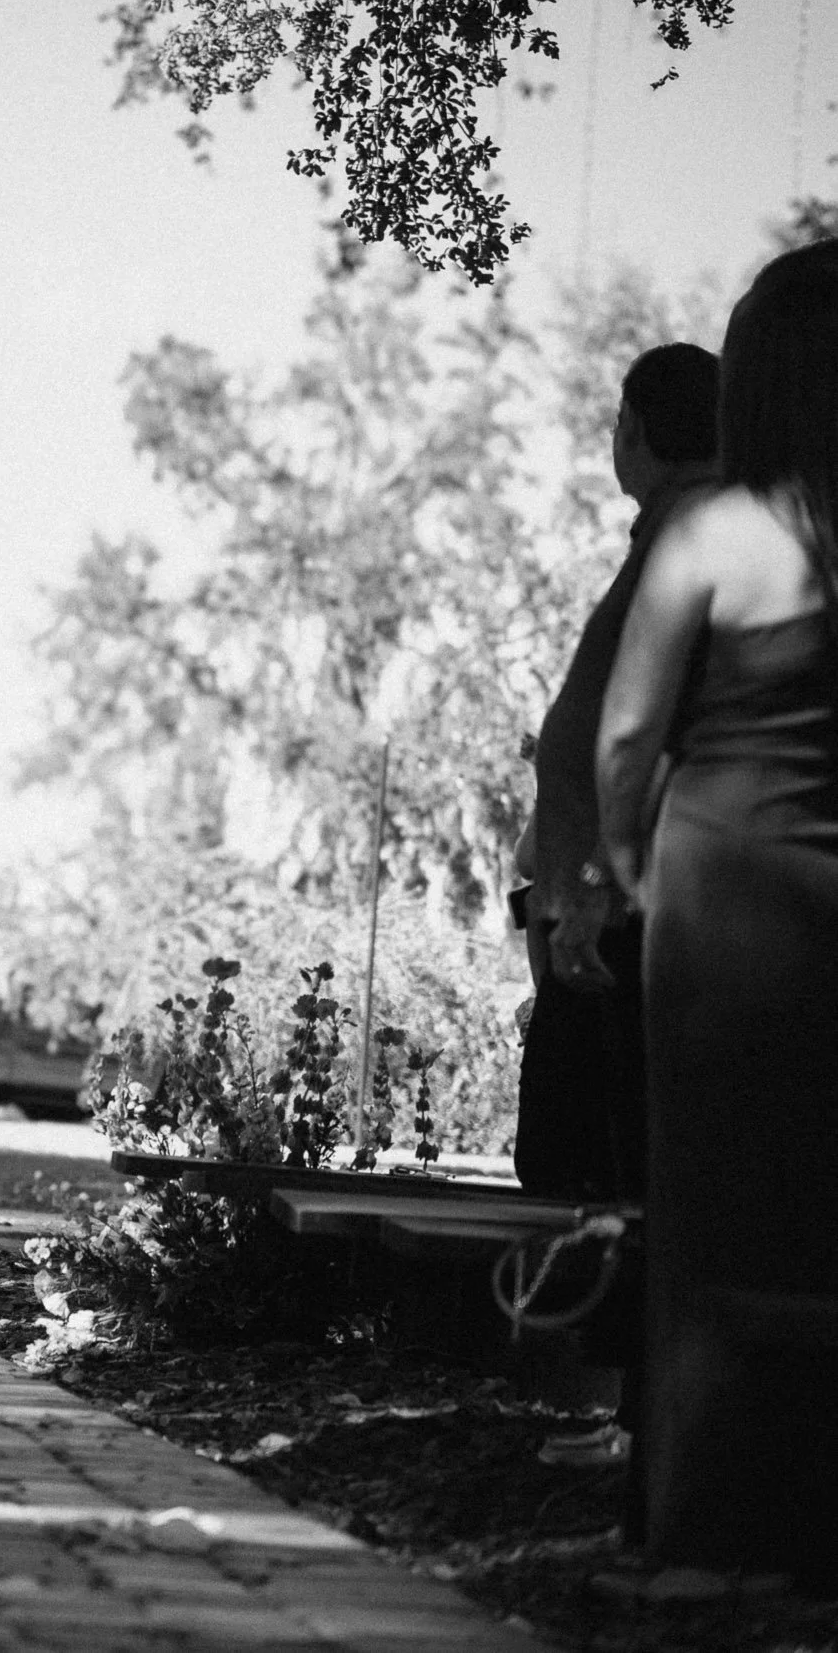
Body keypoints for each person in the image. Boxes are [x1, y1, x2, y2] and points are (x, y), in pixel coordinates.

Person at [596, 239, 838, 1584]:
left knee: (708, 1205)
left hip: (725, 885)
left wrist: (621, 875)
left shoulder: (715, 530)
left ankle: (702, 1532)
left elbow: (628, 740)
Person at [516, 344, 718, 1205]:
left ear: (634, 427)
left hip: (622, 911)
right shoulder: (675, 531)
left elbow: (656, 726)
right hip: (599, 897)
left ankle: (607, 1335)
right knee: (574, 1156)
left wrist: (598, 881)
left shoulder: (698, 533)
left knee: (585, 1164)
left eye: (615, 423)